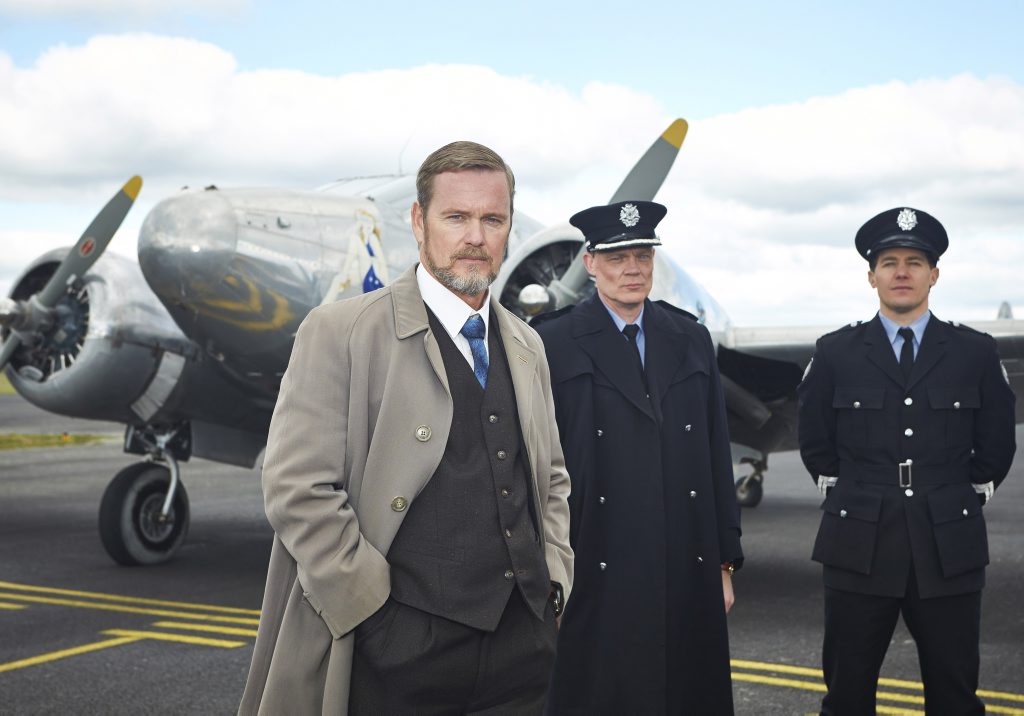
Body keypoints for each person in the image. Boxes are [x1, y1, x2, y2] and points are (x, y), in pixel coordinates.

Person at [238, 141, 573, 715]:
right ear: (419, 222)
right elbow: (296, 487)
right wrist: (369, 611)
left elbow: (553, 478)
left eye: (492, 219)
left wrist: (555, 583)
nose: (475, 236)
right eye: (456, 217)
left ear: (509, 228)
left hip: (523, 651)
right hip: (396, 653)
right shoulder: (340, 331)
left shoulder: (528, 344)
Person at [798, 207, 1016, 714]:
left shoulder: (975, 352)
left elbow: (996, 445)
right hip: (858, 542)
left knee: (955, 696)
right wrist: (856, 493)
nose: (902, 272)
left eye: (914, 262)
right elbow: (815, 442)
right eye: (889, 262)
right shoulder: (835, 352)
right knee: (847, 696)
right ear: (871, 276)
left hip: (948, 544)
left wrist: (956, 495)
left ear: (933, 275)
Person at [533, 200, 743, 715]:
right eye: (617, 257)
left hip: (685, 553)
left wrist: (725, 562)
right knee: (601, 695)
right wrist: (546, 571)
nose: (632, 269)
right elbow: (532, 464)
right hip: (594, 554)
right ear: (590, 264)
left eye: (642, 256)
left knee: (684, 693)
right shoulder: (551, 342)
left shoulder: (689, 337)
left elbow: (716, 452)